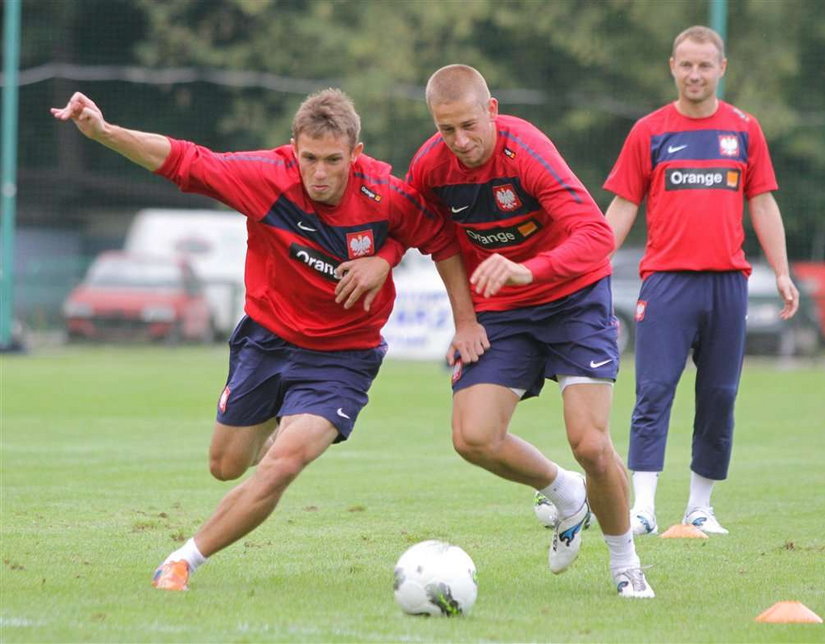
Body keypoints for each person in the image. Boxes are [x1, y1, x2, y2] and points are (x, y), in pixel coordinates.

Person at [52, 88, 488, 591]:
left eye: (333, 160)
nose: (320, 173)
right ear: (292, 148)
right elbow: (183, 161)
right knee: (225, 465)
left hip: (343, 356)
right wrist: (106, 133)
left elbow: (440, 239)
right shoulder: (266, 177)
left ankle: (183, 561)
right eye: (309, 159)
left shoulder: (384, 192)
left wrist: (420, 286)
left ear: (356, 154)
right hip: (267, 340)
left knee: (284, 462)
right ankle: (284, 416)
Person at [407, 64, 654, 598]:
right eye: (446, 129)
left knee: (590, 445)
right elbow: (431, 237)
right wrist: (465, 319)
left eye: (470, 125)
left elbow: (595, 235)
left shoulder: (527, 151)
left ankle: (625, 563)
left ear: (492, 109)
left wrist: (530, 270)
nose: (460, 141)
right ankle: (566, 495)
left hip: (573, 300)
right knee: (472, 437)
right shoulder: (430, 166)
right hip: (501, 311)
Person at [603, 26, 799, 537]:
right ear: (672, 66)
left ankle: (699, 507)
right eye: (686, 65)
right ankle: (642, 506)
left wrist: (781, 271)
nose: (695, 74)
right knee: (653, 391)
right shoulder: (649, 131)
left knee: (719, 395)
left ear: (721, 69)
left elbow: (761, 201)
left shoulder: (744, 129)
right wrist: (592, 262)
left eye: (704, 66)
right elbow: (624, 204)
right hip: (667, 283)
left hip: (727, 285)